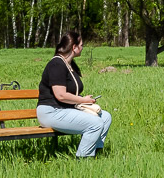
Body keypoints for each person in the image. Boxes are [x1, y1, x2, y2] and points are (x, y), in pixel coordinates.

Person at [36, 30, 112, 158]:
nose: (82, 48)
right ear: (74, 47)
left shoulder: (69, 65)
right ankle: (84, 158)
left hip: (65, 110)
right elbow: (60, 95)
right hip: (51, 112)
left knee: (105, 117)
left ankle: (96, 152)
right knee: (95, 123)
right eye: (81, 45)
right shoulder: (56, 64)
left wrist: (83, 100)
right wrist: (82, 100)